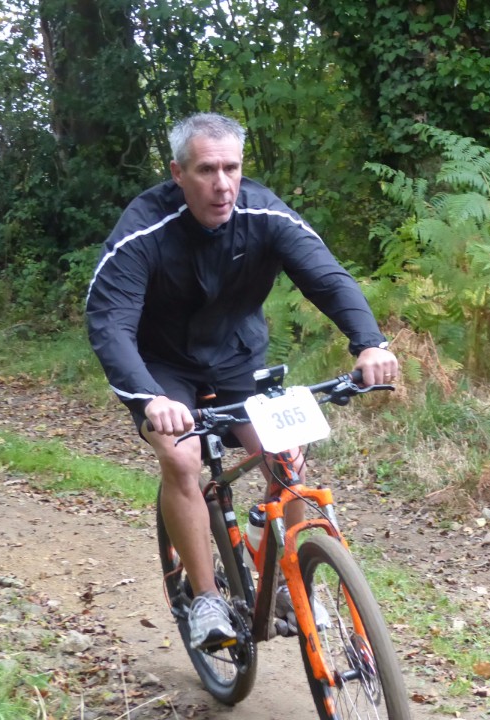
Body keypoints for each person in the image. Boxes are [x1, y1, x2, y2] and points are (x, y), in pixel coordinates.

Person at [86, 112, 398, 649]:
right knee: (182, 456)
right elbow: (110, 322)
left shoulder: (263, 213)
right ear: (178, 173)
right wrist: (150, 398)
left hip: (237, 357)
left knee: (288, 456)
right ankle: (206, 597)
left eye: (231, 168)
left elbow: (327, 277)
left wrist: (369, 342)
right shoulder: (144, 229)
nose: (223, 184)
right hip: (162, 367)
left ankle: (283, 578)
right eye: (206, 170)